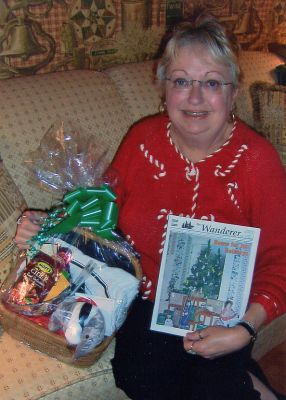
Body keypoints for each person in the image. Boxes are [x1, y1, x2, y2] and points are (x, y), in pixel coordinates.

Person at [14, 10, 286, 400]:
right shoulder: (142, 141)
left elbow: (281, 257)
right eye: (181, 81)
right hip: (146, 298)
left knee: (215, 386)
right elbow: (99, 217)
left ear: (233, 91)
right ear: (164, 88)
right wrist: (50, 227)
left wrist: (244, 327)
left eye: (211, 83)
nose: (194, 97)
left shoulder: (258, 160)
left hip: (225, 308)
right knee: (139, 375)